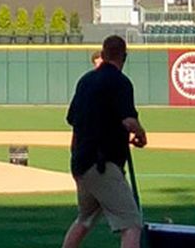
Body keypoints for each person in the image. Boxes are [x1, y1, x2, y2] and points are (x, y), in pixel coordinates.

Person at [63, 36, 147, 248]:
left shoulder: (86, 80)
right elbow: (129, 121)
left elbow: (73, 120)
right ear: (124, 56)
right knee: (132, 224)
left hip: (81, 161)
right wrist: (141, 135)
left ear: (103, 53)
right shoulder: (120, 82)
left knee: (84, 219)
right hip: (103, 164)